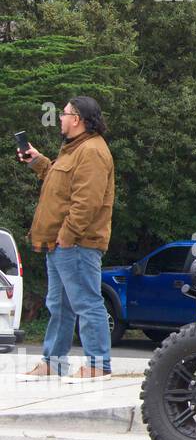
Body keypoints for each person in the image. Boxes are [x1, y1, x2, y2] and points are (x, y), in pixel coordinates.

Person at [17, 97, 116, 382]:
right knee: (59, 305)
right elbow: (58, 183)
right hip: (60, 244)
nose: (60, 117)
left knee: (87, 302)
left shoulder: (93, 151)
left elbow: (87, 202)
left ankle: (98, 366)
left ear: (78, 119)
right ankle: (53, 363)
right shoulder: (74, 150)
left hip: (77, 244)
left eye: (65, 113)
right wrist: (37, 161)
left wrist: (67, 236)